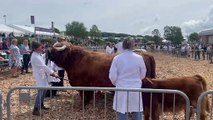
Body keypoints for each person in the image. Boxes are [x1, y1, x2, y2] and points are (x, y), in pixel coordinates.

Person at [109, 39, 147, 120]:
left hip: (121, 88)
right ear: (133, 47)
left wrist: (117, 83)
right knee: (137, 111)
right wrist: (136, 80)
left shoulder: (117, 58)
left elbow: (112, 76)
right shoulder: (139, 58)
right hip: (135, 88)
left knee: (121, 111)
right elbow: (143, 73)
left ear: (122, 46)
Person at [30, 41, 59, 116]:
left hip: (43, 75)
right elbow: (44, 67)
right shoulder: (35, 57)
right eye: (41, 47)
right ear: (35, 48)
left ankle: (41, 105)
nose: (42, 48)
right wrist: (53, 73)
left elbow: (45, 62)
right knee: (40, 92)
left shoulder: (38, 54)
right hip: (40, 76)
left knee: (44, 90)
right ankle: (35, 109)